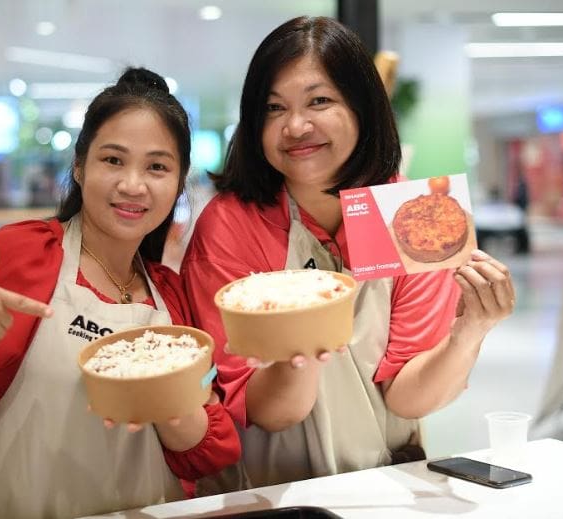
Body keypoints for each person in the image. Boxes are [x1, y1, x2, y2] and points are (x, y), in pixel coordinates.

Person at [0, 68, 240, 518]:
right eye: (113, 160)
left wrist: (169, 405)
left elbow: (206, 449)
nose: (133, 184)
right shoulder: (24, 256)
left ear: (178, 183)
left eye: (157, 167)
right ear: (79, 166)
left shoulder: (171, 295)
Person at [181, 16, 515, 489]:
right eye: (274, 108)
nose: (296, 125)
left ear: (363, 107)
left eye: (319, 100)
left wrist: (469, 332)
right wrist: (301, 353)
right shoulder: (231, 224)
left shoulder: (409, 213)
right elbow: (266, 410)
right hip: (271, 492)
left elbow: (408, 396)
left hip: (386, 484)